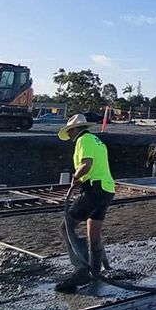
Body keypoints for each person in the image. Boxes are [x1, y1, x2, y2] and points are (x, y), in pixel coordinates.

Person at [55, 114, 116, 292]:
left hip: (94, 190)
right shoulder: (98, 141)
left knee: (65, 227)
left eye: (70, 132)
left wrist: (76, 177)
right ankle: (95, 271)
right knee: (93, 234)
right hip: (107, 189)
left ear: (74, 130)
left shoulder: (83, 140)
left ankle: (81, 269)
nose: (70, 136)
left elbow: (87, 164)